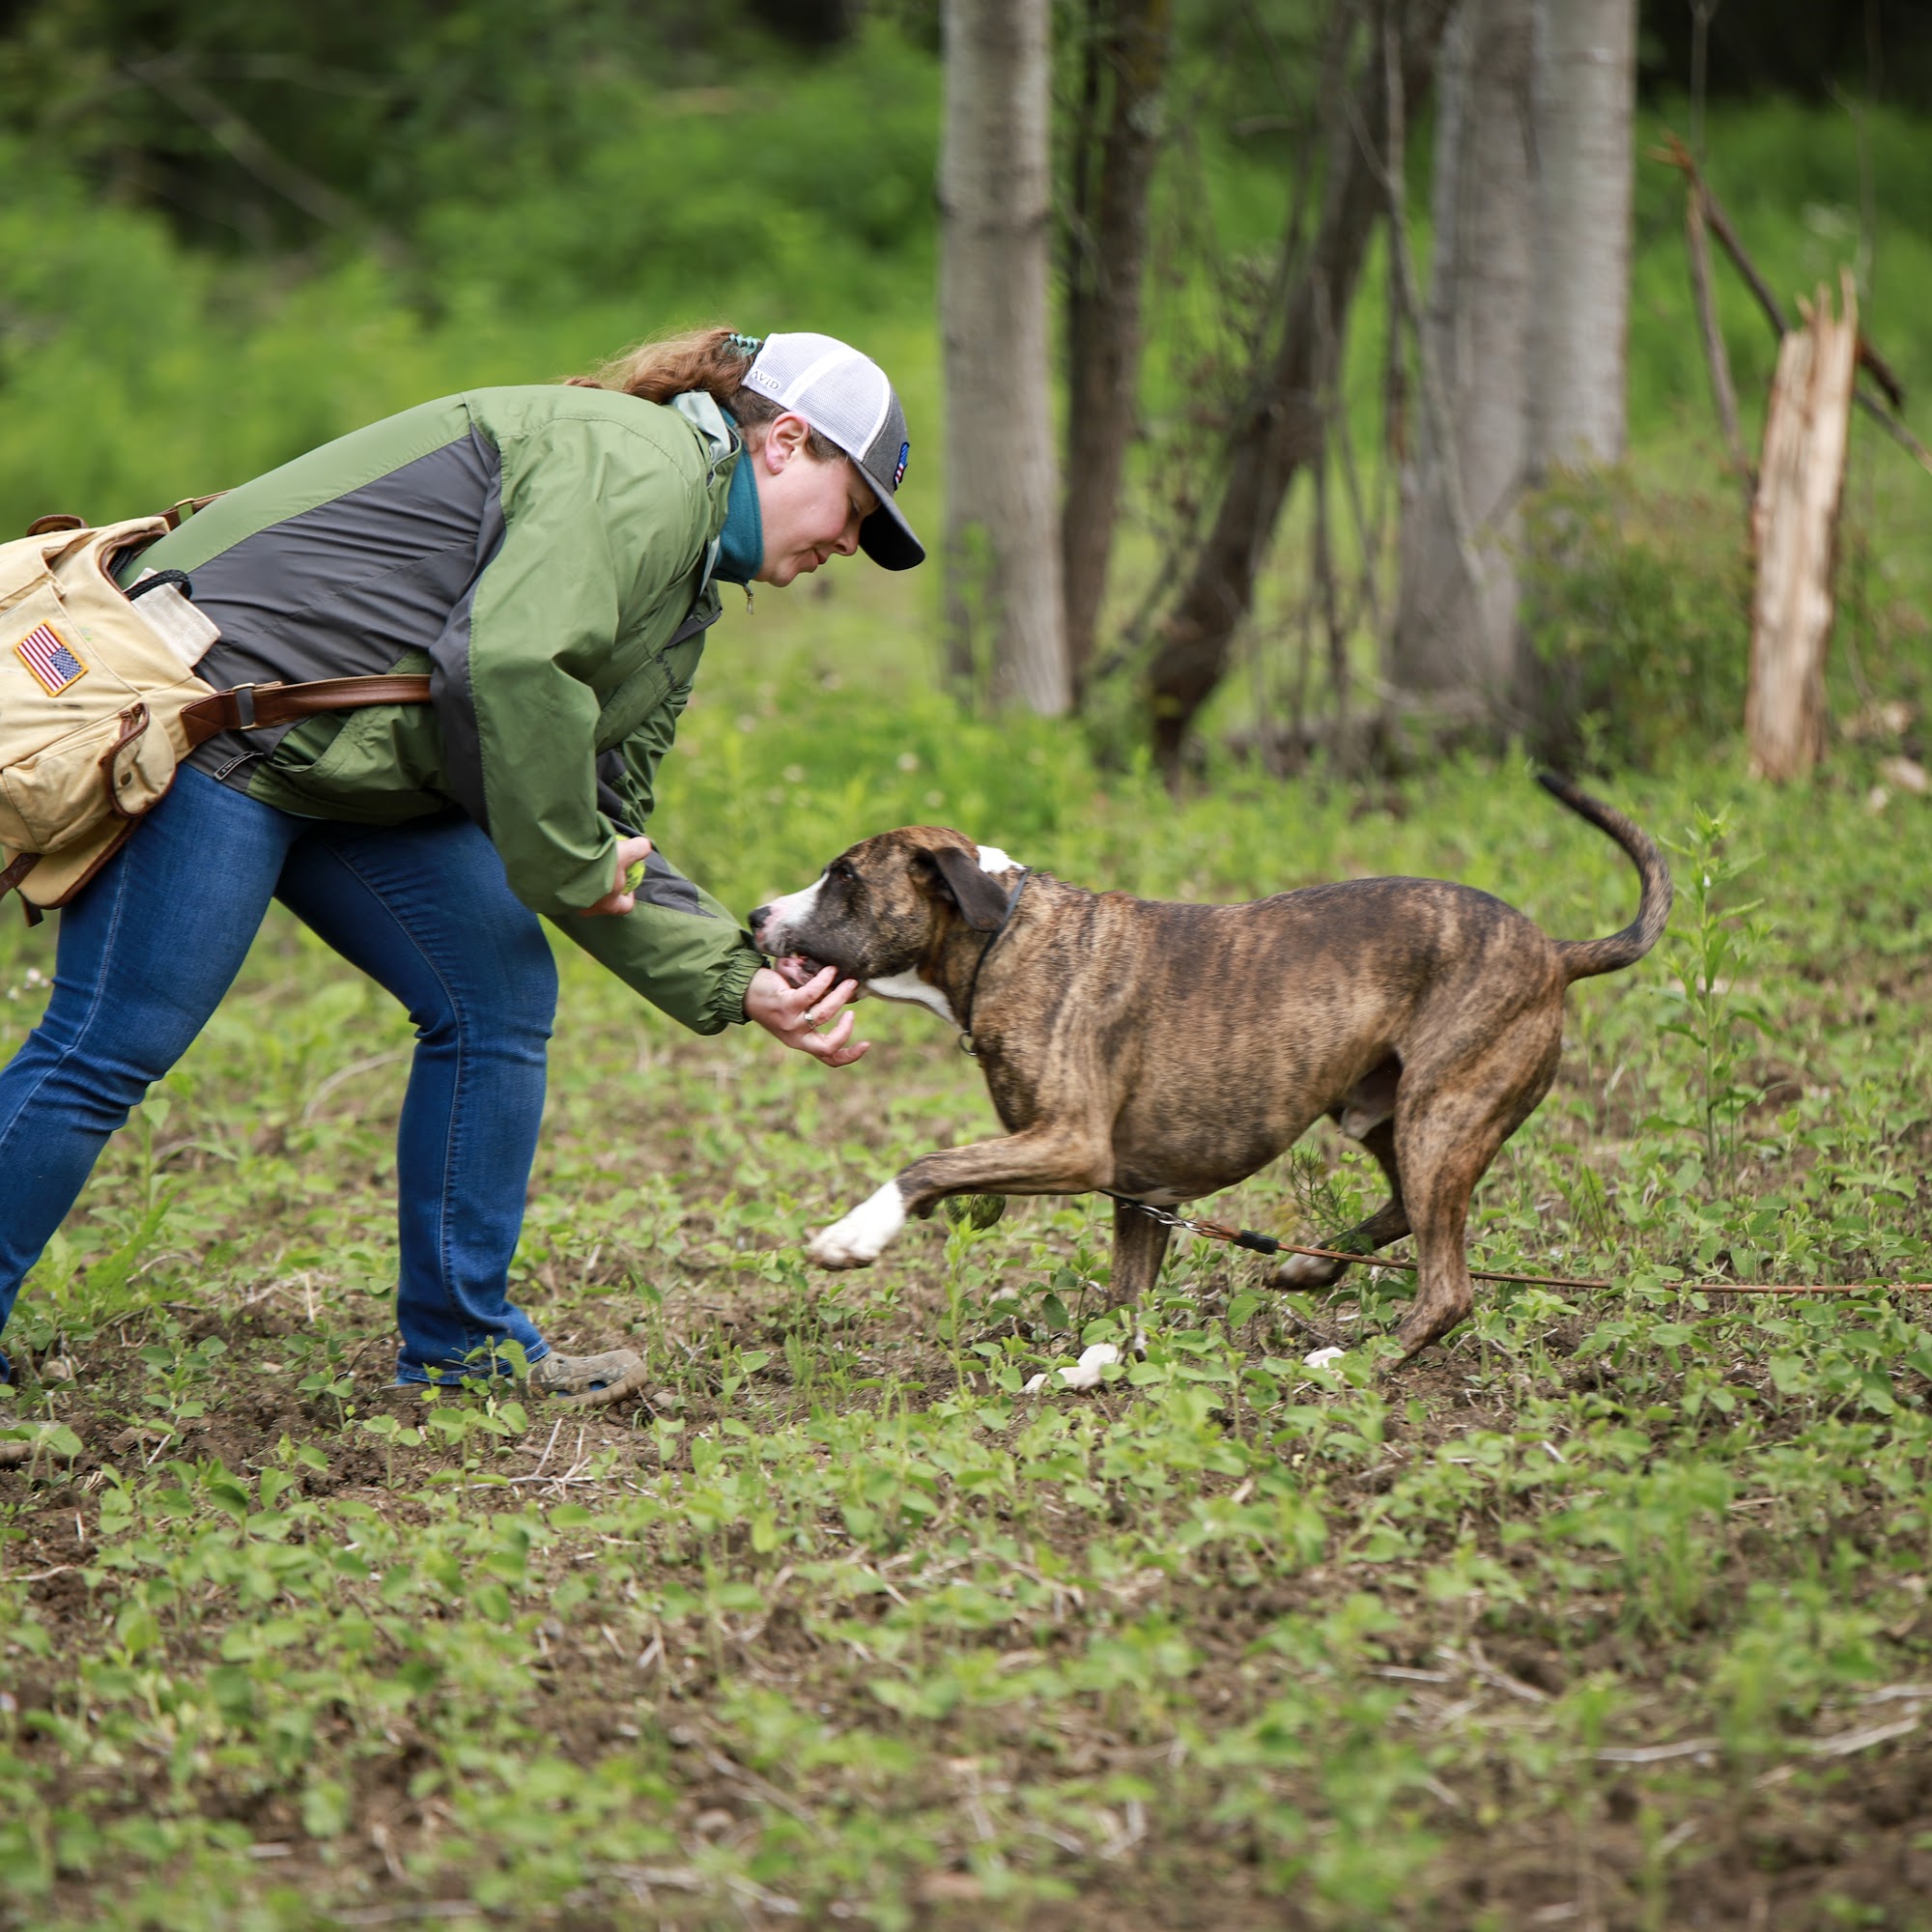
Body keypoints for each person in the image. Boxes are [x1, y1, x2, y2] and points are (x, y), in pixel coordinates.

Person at [0, 328, 920, 1458]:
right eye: (854, 507)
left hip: (347, 770)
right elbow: (512, 665)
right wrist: (570, 862)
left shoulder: (683, 591)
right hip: (221, 736)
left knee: (494, 997)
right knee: (111, 1042)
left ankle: (458, 1346)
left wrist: (739, 981)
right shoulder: (636, 465)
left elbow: (598, 812)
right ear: (783, 441)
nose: (849, 542)